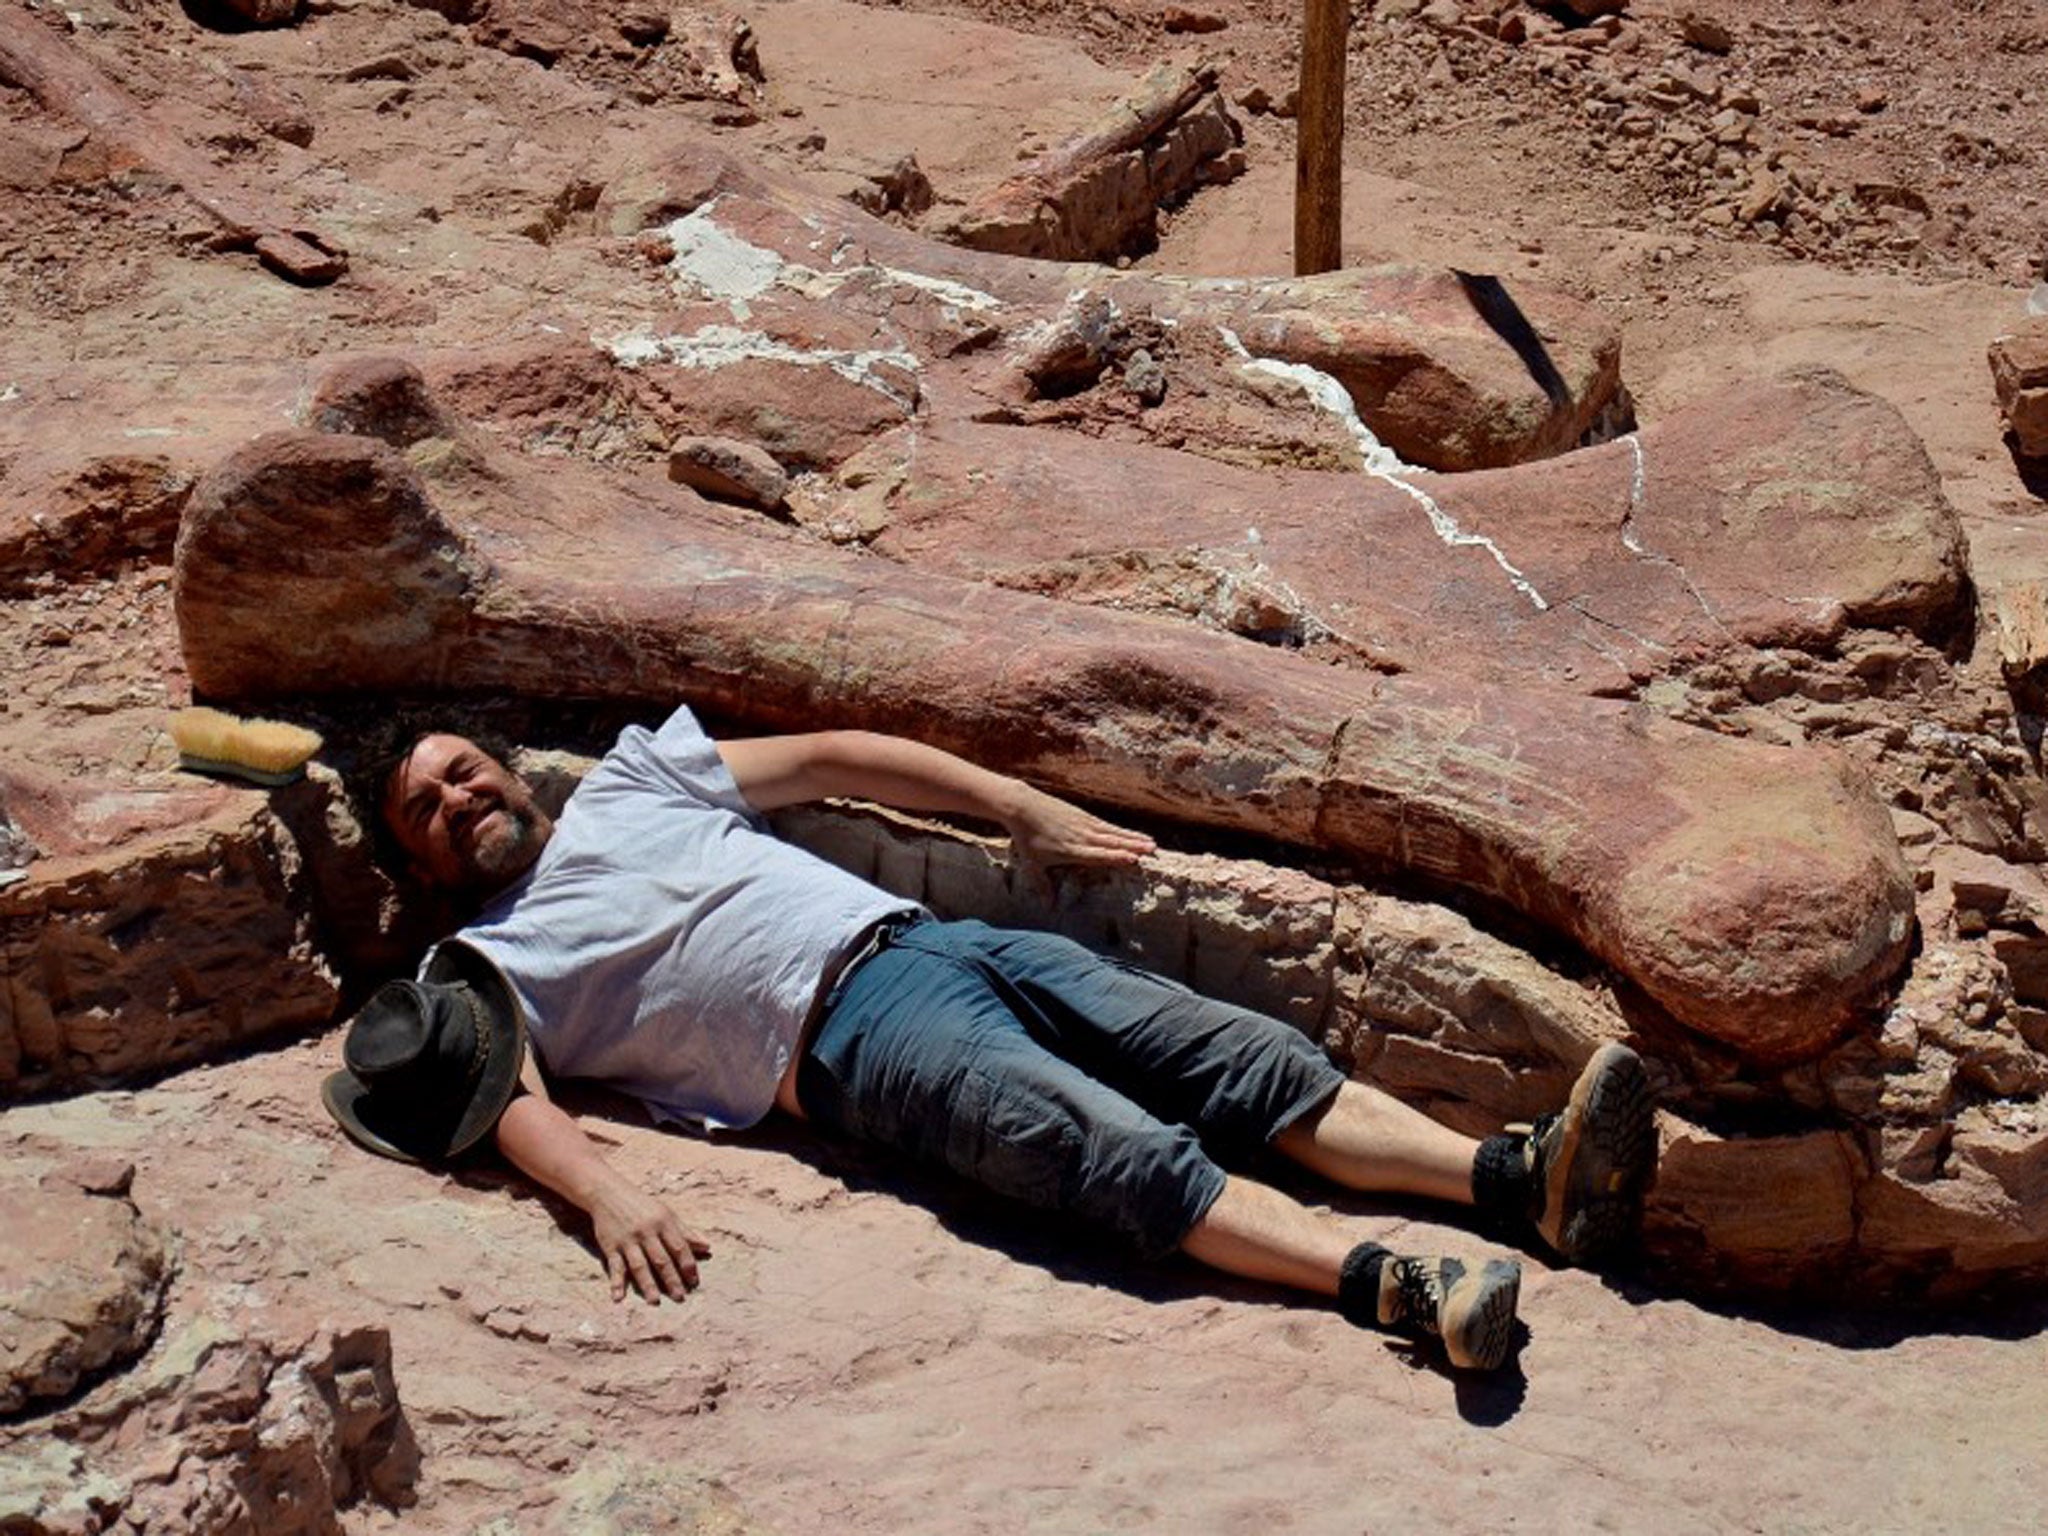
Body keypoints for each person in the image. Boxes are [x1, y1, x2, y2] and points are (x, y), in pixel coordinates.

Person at [323, 707, 1657, 1373]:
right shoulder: (477, 964)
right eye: (422, 809)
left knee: (1229, 1055)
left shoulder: (633, 779)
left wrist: (1020, 807)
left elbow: (840, 755)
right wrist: (609, 1196)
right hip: (849, 1044)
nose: (454, 800)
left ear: (501, 765)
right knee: (1114, 1155)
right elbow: (508, 1098)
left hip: (934, 939)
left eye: (459, 772)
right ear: (417, 860)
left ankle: (1513, 1180)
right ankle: (1402, 1292)